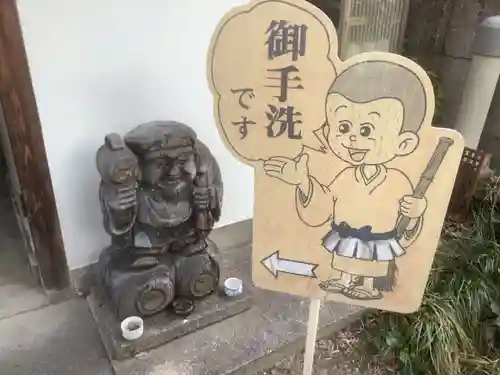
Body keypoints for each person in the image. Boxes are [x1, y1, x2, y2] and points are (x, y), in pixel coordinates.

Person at [263, 60, 429, 300]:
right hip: (346, 231)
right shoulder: (345, 175)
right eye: (342, 127)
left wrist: (416, 212)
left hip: (377, 237)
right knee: (344, 256)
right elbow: (325, 203)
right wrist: (303, 181)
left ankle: (369, 285)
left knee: (372, 261)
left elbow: (407, 220)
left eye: (365, 131)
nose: (351, 139)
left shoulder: (397, 179)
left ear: (403, 143)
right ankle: (344, 279)